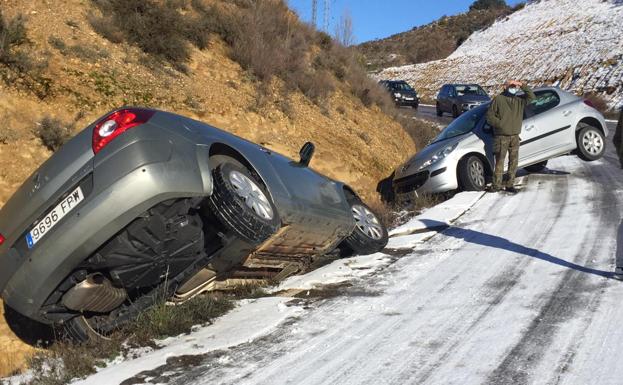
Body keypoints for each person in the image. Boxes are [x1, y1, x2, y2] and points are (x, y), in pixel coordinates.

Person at [486, 80, 536, 193]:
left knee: (514, 162)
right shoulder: (498, 99)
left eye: (515, 87)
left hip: (515, 136)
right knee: (499, 162)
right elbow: (489, 116)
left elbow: (532, 97)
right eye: (511, 86)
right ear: (505, 87)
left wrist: (522, 84)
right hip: (501, 137)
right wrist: (500, 124)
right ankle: (496, 185)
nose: (514, 88)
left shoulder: (519, 100)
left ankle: (510, 184)